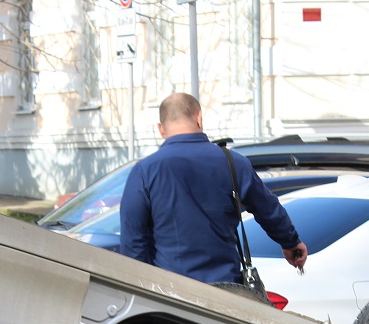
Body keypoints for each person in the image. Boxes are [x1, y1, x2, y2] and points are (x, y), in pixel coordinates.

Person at [118, 93, 308, 285]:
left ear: (161, 129)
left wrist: (145, 286)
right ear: (199, 118)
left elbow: (133, 242)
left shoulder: (145, 171)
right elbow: (268, 209)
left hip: (170, 292)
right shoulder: (233, 162)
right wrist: (291, 242)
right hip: (225, 287)